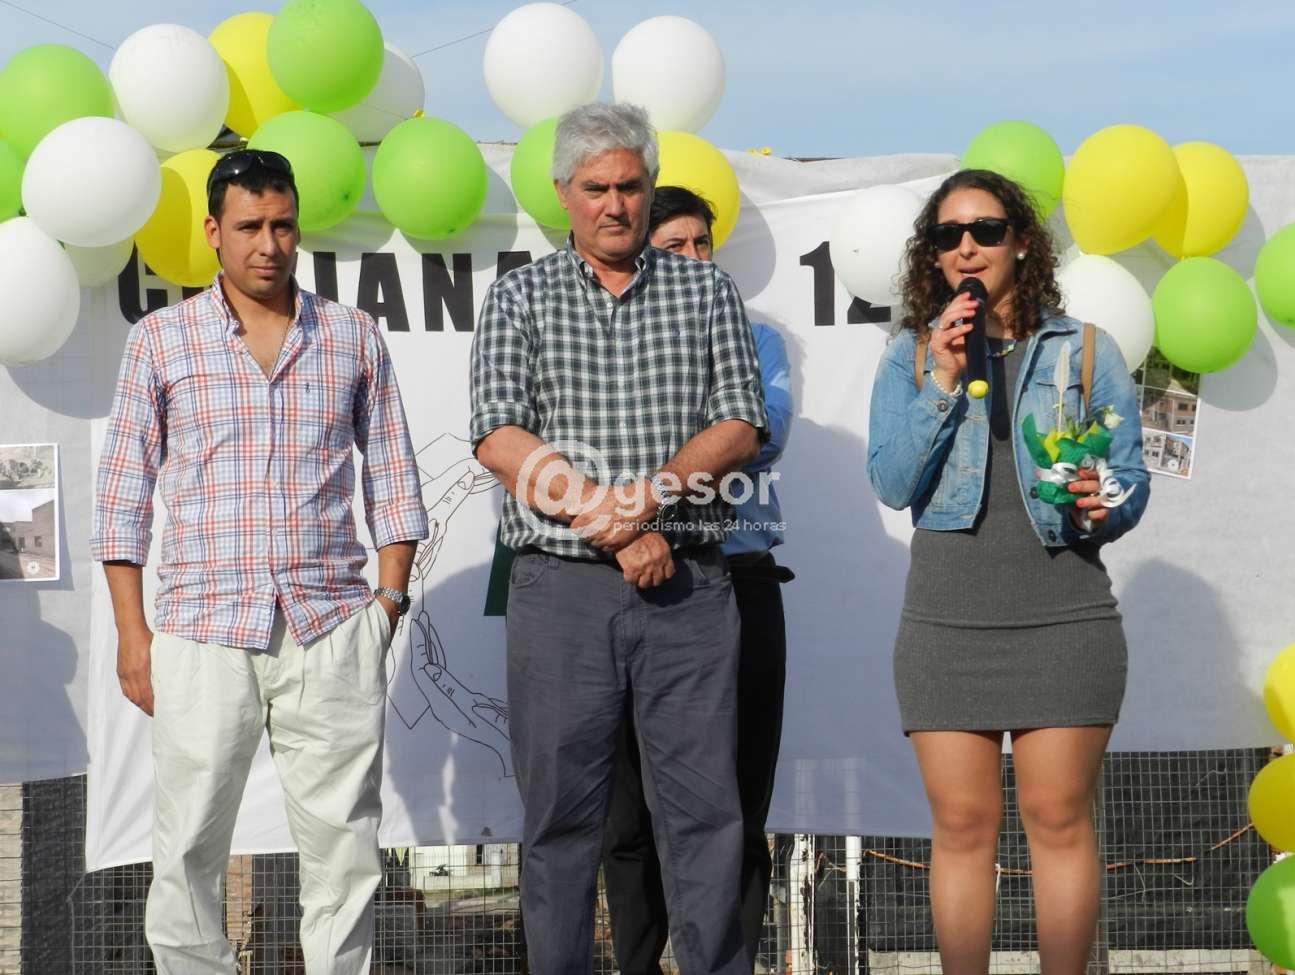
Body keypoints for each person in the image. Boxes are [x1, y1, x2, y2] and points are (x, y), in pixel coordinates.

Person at [91, 149, 428, 974]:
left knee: (345, 851)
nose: (268, 245)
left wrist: (386, 606)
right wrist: (133, 634)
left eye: (282, 225)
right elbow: (123, 495)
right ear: (214, 231)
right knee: (186, 848)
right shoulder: (162, 340)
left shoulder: (351, 335)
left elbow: (394, 477)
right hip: (203, 628)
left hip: (329, 625)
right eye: (249, 227)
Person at [469, 103, 768, 975]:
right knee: (561, 821)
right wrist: (611, 520)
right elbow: (498, 435)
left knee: (706, 818)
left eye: (630, 186)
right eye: (595, 187)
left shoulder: (706, 291)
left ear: (649, 186)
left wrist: (649, 501)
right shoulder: (520, 295)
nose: (614, 203)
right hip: (560, 593)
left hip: (690, 592)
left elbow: (740, 423)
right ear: (563, 192)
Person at [867, 169, 1150, 975]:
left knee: (1058, 821)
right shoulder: (909, 355)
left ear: (1022, 243)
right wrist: (941, 379)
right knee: (961, 828)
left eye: (986, 230)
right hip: (946, 621)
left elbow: (1129, 482)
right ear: (933, 256)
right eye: (949, 234)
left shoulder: (1086, 349)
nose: (967, 247)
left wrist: (1101, 499)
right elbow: (891, 482)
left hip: (1064, 617)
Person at [600, 186, 794, 975]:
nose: (692, 258)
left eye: (701, 244)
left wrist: (655, 449)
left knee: (735, 806)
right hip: (624, 577)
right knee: (626, 815)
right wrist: (697, 438)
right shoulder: (604, 337)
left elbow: (758, 434)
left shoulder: (756, 337)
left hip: (739, 576)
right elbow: (582, 445)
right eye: (673, 245)